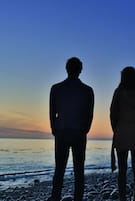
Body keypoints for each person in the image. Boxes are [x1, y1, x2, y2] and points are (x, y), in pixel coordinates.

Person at [48, 57, 94, 201]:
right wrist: (85, 129)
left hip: (63, 131)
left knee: (60, 169)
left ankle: (55, 197)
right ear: (80, 70)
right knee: (78, 170)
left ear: (67, 69)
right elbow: (89, 114)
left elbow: (52, 112)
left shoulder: (56, 88)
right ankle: (77, 198)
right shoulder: (87, 90)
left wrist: (54, 128)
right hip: (77, 132)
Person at [110, 66, 135, 201]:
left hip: (121, 132)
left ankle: (123, 198)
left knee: (122, 169)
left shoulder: (119, 92)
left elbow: (112, 113)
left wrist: (115, 128)